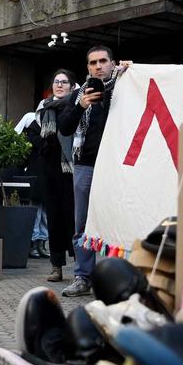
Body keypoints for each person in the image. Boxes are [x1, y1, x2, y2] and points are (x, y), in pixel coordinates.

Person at [58, 46, 126, 297]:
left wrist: (133, 71)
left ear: (113, 62)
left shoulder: (125, 86)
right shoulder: (79, 94)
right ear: (87, 67)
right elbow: (64, 128)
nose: (98, 66)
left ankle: (114, 278)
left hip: (116, 165)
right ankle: (83, 277)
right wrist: (81, 106)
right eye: (93, 62)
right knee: (83, 224)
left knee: (117, 221)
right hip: (85, 164)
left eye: (103, 61)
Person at [32, 70, 78, 283]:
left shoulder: (78, 105)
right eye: (56, 81)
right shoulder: (44, 106)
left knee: (75, 217)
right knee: (54, 217)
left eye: (64, 82)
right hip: (50, 167)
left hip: (71, 168)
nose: (59, 85)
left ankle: (81, 268)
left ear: (72, 85)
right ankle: (56, 266)